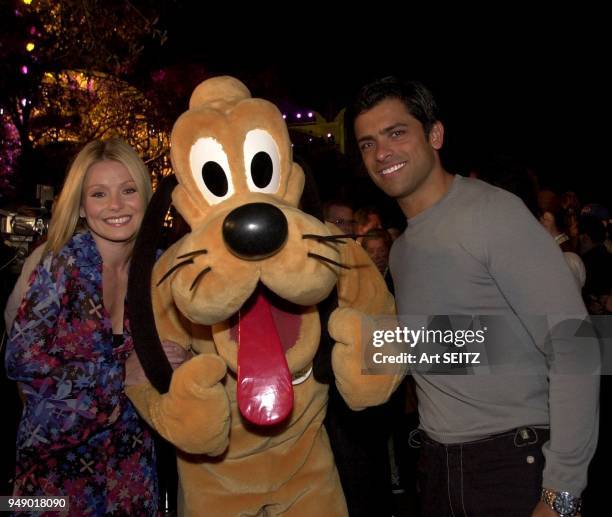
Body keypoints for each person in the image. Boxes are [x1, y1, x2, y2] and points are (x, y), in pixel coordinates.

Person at [352, 76, 599, 517]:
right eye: (367, 143)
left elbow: (575, 343)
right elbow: (460, 350)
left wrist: (562, 492)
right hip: (436, 468)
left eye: (395, 133)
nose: (381, 152)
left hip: (511, 466)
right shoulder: (404, 249)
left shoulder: (493, 213)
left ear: (435, 135)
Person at [5, 138, 159, 514]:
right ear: (81, 205)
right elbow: (21, 363)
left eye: (128, 190)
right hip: (54, 474)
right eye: (99, 193)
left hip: (131, 471)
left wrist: (180, 358)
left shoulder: (160, 271)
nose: (116, 206)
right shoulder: (59, 265)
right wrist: (120, 372)